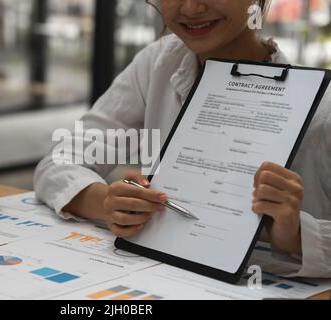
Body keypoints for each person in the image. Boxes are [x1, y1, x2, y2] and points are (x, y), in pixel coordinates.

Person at [35, 0, 331, 278]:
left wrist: (295, 236)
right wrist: (108, 203)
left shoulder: (321, 109)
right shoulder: (158, 63)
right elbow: (61, 159)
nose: (191, 8)